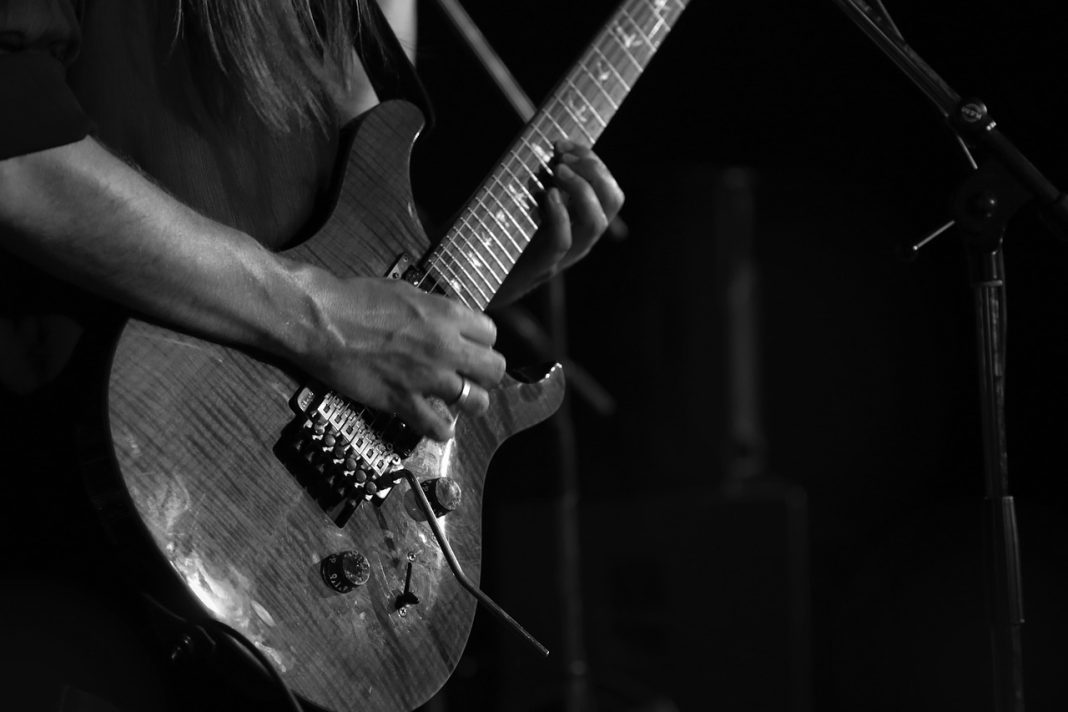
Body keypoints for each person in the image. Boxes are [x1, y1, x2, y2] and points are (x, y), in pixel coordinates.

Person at [0, 1, 623, 710]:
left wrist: (473, 287)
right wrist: (319, 319)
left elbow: (363, 242)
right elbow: (18, 158)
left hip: (303, 535)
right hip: (77, 518)